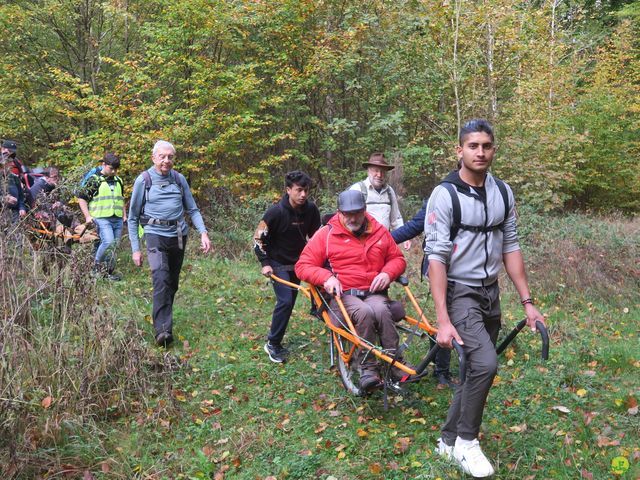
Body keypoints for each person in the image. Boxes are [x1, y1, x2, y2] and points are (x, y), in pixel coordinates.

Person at [425, 119, 545, 478]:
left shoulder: (503, 193)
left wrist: (527, 301)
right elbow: (436, 258)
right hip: (460, 293)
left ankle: (447, 439)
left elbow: (511, 246)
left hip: (490, 293)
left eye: (487, 146)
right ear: (459, 150)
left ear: (494, 149)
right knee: (486, 365)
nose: (480, 152)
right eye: (473, 145)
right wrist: (443, 319)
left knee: (476, 367)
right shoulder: (444, 195)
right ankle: (466, 442)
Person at [295, 189, 407, 391]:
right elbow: (302, 266)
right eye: (347, 214)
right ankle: (368, 369)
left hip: (373, 293)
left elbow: (397, 258)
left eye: (357, 213)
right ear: (339, 212)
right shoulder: (327, 235)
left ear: (364, 210)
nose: (352, 218)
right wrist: (326, 277)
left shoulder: (379, 231)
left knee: (381, 310)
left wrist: (387, 273)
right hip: (343, 296)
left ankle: (395, 364)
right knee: (364, 313)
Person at [128, 140, 211, 347]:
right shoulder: (144, 180)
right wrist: (136, 249)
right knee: (161, 278)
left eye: (170, 157)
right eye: (162, 157)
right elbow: (132, 217)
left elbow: (192, 209)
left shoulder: (178, 179)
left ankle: (162, 314)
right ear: (153, 157)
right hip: (154, 234)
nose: (166, 161)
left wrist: (203, 233)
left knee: (171, 283)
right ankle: (163, 330)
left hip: (178, 235)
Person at [253, 171, 321, 363]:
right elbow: (258, 239)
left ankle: (319, 309)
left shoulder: (311, 210)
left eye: (306, 190)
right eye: (299, 190)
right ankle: (273, 343)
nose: (303, 195)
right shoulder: (275, 212)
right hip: (278, 263)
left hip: (299, 263)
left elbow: (317, 238)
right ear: (288, 190)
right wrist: (265, 263)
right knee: (285, 301)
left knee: (296, 299)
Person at [391, 201, 455, 389]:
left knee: (449, 317)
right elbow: (414, 226)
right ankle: (441, 372)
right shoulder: (441, 196)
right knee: (446, 316)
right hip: (440, 266)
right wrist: (379, 239)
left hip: (468, 270)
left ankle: (439, 364)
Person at [77, 153, 126, 280]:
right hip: (101, 218)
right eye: (111, 168)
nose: (114, 171)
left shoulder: (118, 180)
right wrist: (87, 216)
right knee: (108, 242)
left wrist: (124, 215)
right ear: (103, 165)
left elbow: (121, 199)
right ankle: (95, 268)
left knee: (114, 246)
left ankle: (107, 273)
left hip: (117, 218)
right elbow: (81, 199)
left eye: (116, 169)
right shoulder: (94, 179)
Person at [350, 152, 410, 250]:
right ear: (368, 171)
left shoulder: (390, 192)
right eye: (376, 170)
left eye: (383, 171)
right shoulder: (357, 189)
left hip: (384, 244)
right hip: (362, 246)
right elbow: (346, 220)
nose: (379, 174)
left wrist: (405, 237)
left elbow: (396, 219)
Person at [1, 141, 27, 222]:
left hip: (14, 212)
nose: (11, 163)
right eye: (8, 161)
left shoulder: (14, 177)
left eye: (11, 161)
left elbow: (21, 196)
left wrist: (22, 208)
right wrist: (4, 199)